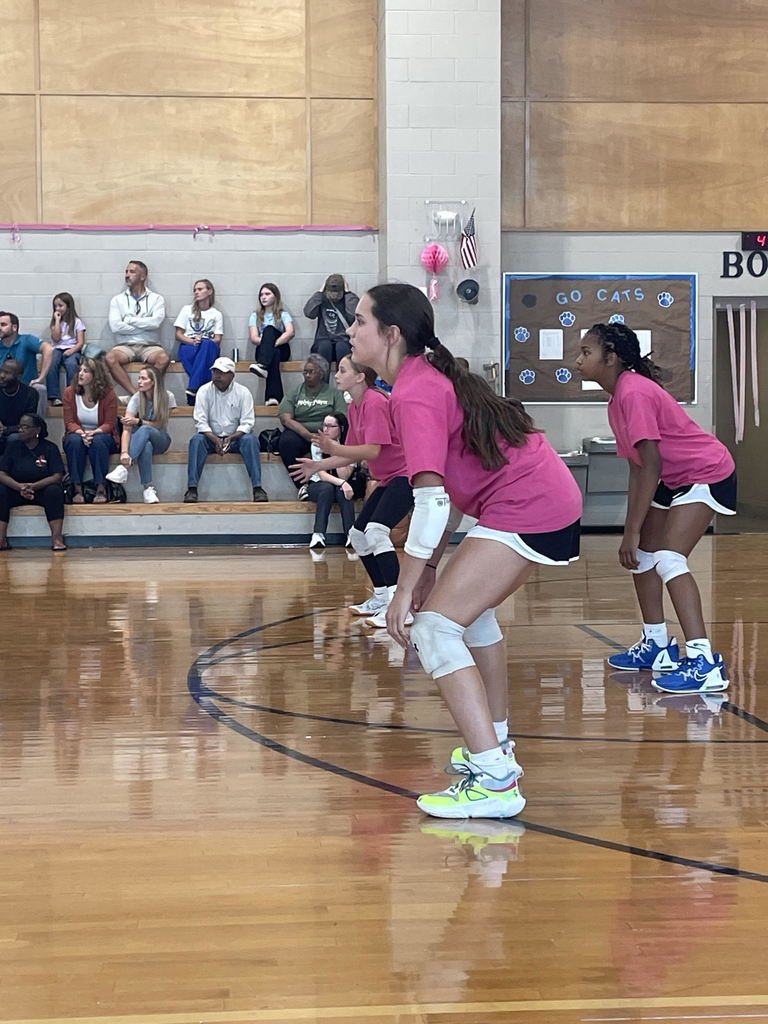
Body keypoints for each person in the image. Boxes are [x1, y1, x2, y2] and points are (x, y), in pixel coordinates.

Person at [346, 282, 582, 820]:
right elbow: (448, 490)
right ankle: (496, 747)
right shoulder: (418, 380)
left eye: (360, 321)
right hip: (531, 500)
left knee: (432, 628)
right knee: (471, 622)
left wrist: (403, 594)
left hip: (530, 504)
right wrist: (426, 568)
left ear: (391, 333)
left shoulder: (415, 391)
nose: (351, 330)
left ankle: (496, 781)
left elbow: (429, 502)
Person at [576, 322, 736, 695]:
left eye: (586, 352)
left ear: (611, 359)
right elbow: (637, 466)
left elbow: (651, 464)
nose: (578, 360)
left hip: (706, 471)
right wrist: (629, 528)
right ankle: (658, 646)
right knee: (642, 556)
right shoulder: (617, 399)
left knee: (668, 559)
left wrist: (632, 529)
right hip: (672, 476)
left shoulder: (633, 393)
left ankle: (704, 662)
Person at [291, 354, 412, 626]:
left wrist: (333, 448)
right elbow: (352, 454)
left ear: (359, 377)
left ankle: (400, 607)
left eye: (342, 370)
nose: (336, 374)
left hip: (405, 476)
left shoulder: (375, 402)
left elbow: (373, 449)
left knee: (377, 531)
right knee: (358, 535)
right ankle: (381, 596)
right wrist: (318, 464)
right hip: (388, 478)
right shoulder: (356, 407)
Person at [184, 356, 267, 503]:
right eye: (215, 372)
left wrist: (232, 438)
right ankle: (192, 488)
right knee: (196, 441)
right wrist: (215, 439)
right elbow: (200, 422)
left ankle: (257, 488)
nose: (217, 376)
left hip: (236, 439)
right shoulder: (204, 391)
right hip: (210, 438)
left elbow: (247, 423)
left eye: (222, 373)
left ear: (232, 375)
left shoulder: (243, 392)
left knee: (251, 440)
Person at [108, 365, 176, 503]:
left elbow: (159, 425)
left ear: (153, 382)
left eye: (143, 379)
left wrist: (138, 421)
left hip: (161, 439)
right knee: (146, 446)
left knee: (144, 429)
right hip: (143, 441)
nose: (139, 381)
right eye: (139, 378)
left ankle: (124, 469)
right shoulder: (136, 398)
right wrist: (124, 452)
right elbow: (127, 427)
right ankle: (148, 489)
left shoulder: (168, 396)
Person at [277, 354, 348, 484]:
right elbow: (286, 418)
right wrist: (307, 435)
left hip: (327, 433)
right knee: (286, 442)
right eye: (305, 372)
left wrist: (327, 434)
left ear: (321, 374)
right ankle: (302, 485)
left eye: (311, 372)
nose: (307, 375)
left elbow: (341, 418)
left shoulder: (333, 393)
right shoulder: (295, 392)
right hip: (301, 433)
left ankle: (330, 482)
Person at [0, 414, 66, 551]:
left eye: (25, 427)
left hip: (41, 490)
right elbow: (2, 473)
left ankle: (57, 538)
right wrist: (19, 487)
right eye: (19, 426)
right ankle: (1, 539)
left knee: (54, 491)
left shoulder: (50, 448)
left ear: (37, 430)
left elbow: (57, 476)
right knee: (1, 490)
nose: (20, 430)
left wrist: (34, 486)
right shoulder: (12, 447)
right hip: (16, 490)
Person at [62, 357, 120, 504]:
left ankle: (101, 488)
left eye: (86, 371)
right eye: (80, 370)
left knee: (98, 441)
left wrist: (93, 433)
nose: (80, 374)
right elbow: (69, 422)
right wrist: (82, 433)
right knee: (74, 441)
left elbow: (110, 423)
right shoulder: (69, 392)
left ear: (96, 375)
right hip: (78, 434)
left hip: (103, 435)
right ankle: (77, 488)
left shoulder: (109, 394)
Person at [106, 260, 168, 398]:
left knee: (163, 358)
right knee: (110, 358)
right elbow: (115, 326)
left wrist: (128, 320)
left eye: (132, 272)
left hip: (150, 345)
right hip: (125, 345)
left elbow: (155, 323)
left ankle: (149, 391)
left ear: (143, 276)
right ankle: (136, 395)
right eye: (126, 272)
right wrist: (144, 325)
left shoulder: (156, 299)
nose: (127, 275)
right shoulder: (117, 300)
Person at [303, 412, 356, 550]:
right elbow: (322, 474)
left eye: (330, 426)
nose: (325, 430)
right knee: (327, 488)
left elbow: (344, 475)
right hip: (318, 484)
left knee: (341, 491)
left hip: (340, 484)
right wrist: (343, 483)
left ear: (341, 429)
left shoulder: (351, 445)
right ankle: (318, 534)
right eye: (324, 425)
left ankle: (351, 534)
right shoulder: (316, 444)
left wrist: (335, 450)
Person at [173, 279, 223, 404]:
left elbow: (218, 338)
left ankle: (194, 387)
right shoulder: (186, 310)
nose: (196, 292)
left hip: (208, 347)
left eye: (200, 289)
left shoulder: (216, 314)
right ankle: (204, 395)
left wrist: (205, 340)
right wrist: (192, 341)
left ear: (209, 291)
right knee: (205, 360)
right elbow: (178, 334)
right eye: (195, 290)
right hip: (190, 346)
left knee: (207, 344)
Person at [0, 311, 54, 418]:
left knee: (40, 389)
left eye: (3, 325)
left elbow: (49, 349)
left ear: (14, 327)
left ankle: (37, 429)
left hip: (27, 390)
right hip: (5, 390)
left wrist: (41, 377)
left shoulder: (26, 340)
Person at [248, 282, 295, 406]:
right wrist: (267, 346)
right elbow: (254, 338)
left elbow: (290, 333)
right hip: (264, 351)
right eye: (261, 294)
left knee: (269, 330)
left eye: (267, 294)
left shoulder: (283, 314)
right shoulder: (255, 316)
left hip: (282, 347)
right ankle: (273, 398)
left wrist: (271, 344)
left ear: (275, 296)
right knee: (274, 354)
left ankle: (262, 365)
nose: (263, 297)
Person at [303, 274, 359, 368]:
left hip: (343, 342)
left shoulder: (349, 299)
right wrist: (320, 292)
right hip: (323, 343)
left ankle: (344, 380)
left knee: (342, 347)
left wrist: (348, 293)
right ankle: (323, 382)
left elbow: (354, 316)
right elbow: (309, 313)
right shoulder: (322, 299)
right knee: (325, 346)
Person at [46, 292, 86, 406]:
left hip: (73, 349)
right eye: (55, 306)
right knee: (52, 362)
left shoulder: (77, 322)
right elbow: (56, 338)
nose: (58, 308)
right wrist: (57, 321)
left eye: (60, 305)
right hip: (57, 349)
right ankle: (54, 396)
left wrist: (72, 351)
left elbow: (81, 342)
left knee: (72, 364)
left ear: (69, 306)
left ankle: (72, 395)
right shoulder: (55, 322)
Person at [0, 359, 38, 456]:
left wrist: (5, 430)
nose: (2, 375)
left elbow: (29, 423)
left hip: (18, 431)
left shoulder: (30, 394)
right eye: (1, 371)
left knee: (15, 438)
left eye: (7, 373)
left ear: (19, 377)